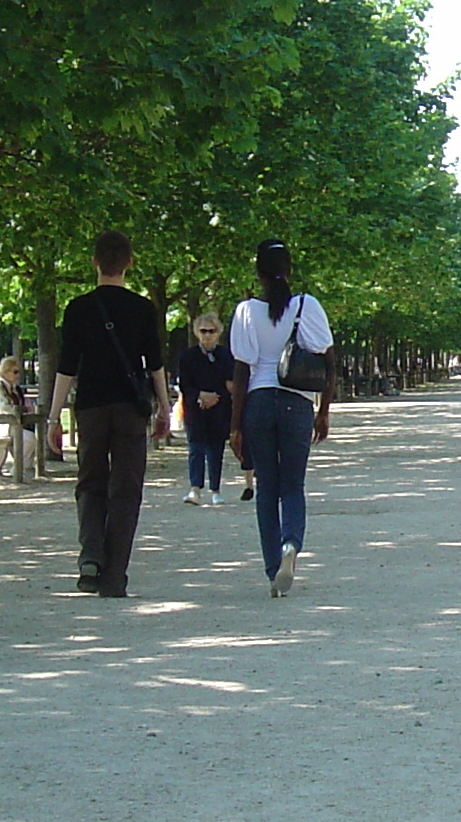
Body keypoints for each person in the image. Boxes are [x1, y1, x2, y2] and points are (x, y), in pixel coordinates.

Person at [48, 230, 172, 599]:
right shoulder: (143, 309)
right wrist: (165, 407)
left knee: (90, 482)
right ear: (129, 263)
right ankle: (115, 573)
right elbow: (155, 365)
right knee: (126, 488)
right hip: (130, 409)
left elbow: (66, 367)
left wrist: (54, 417)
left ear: (94, 262)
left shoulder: (78, 308)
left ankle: (90, 556)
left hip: (91, 406)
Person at [230, 239, 335, 597]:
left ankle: (273, 569)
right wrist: (323, 410)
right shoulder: (308, 306)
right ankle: (291, 543)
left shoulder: (246, 311)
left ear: (258, 273)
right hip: (297, 404)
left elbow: (242, 370)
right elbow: (329, 360)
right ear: (289, 270)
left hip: (259, 402)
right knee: (293, 484)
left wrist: (234, 425)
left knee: (266, 489)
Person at [175, 315, 236, 505]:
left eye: (211, 331)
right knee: (196, 447)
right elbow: (185, 384)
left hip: (219, 408)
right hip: (195, 408)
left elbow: (230, 382)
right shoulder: (187, 356)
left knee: (216, 448)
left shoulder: (226, 355)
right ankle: (195, 488)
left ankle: (215, 489)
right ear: (196, 332)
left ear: (218, 333)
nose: (207, 335)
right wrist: (200, 395)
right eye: (203, 331)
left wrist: (215, 397)